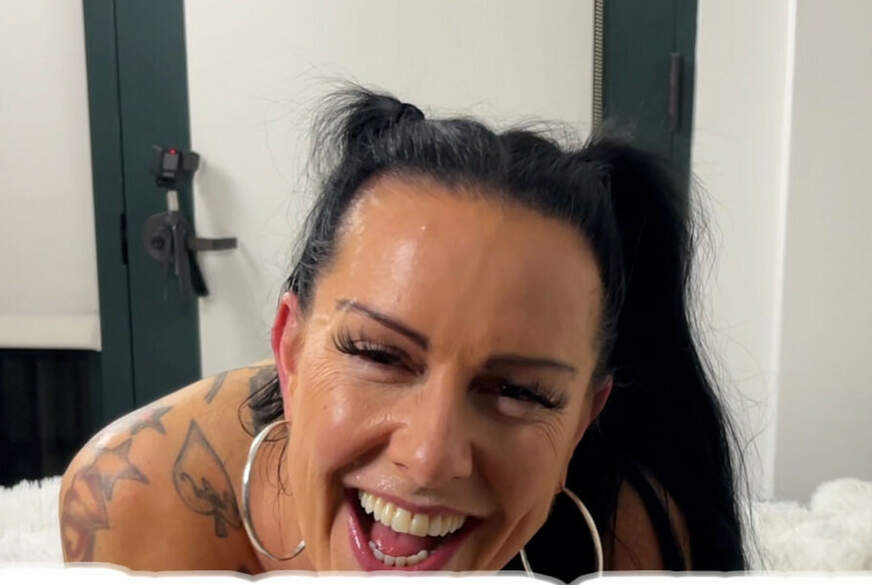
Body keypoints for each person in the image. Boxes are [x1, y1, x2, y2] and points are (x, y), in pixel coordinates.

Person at [59, 86, 748, 579]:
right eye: (379, 354)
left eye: (519, 390)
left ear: (581, 424)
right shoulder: (133, 497)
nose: (429, 456)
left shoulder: (632, 538)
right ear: (290, 352)